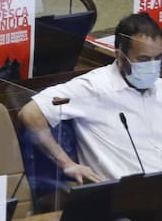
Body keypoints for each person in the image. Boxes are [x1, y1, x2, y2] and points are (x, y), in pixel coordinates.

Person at [19, 13, 162, 183]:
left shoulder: (159, 86)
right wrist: (66, 163)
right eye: (143, 59)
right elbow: (30, 113)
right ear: (120, 56)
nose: (152, 66)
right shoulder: (94, 87)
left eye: (158, 59)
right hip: (124, 198)